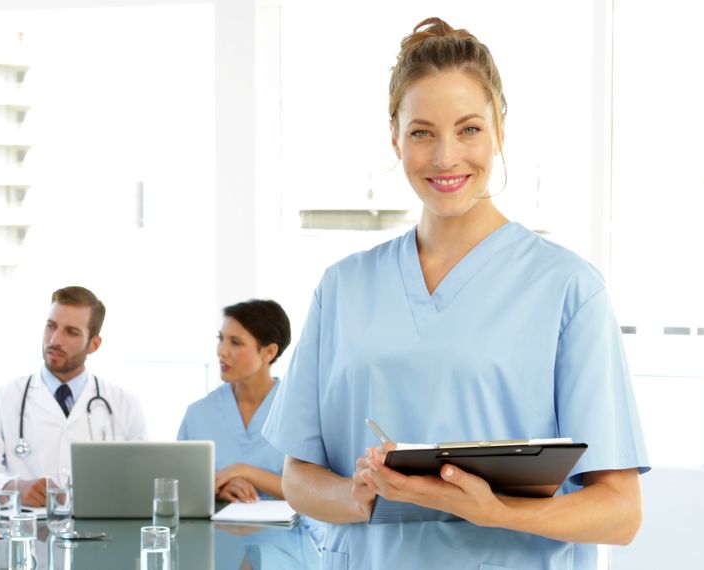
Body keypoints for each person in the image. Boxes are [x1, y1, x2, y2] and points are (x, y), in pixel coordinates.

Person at [261, 17, 650, 569]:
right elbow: (298, 478)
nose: (446, 157)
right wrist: (361, 493)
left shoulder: (568, 288)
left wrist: (492, 510)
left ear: (500, 131)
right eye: (422, 132)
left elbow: (619, 512)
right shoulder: (342, 288)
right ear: (394, 138)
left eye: (469, 129)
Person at [0, 286, 148, 506]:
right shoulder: (3, 400)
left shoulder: (126, 405)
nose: (55, 339)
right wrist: (16, 487)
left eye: (71, 332)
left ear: (94, 345)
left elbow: (142, 484)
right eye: (51, 326)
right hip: (28, 533)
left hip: (100, 533)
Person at [177, 299, 291, 503]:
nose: (222, 351)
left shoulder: (296, 412)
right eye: (221, 339)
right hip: (213, 533)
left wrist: (243, 471)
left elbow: (314, 490)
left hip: (287, 534)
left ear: (269, 352)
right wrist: (217, 488)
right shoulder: (199, 414)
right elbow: (179, 485)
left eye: (235, 342)